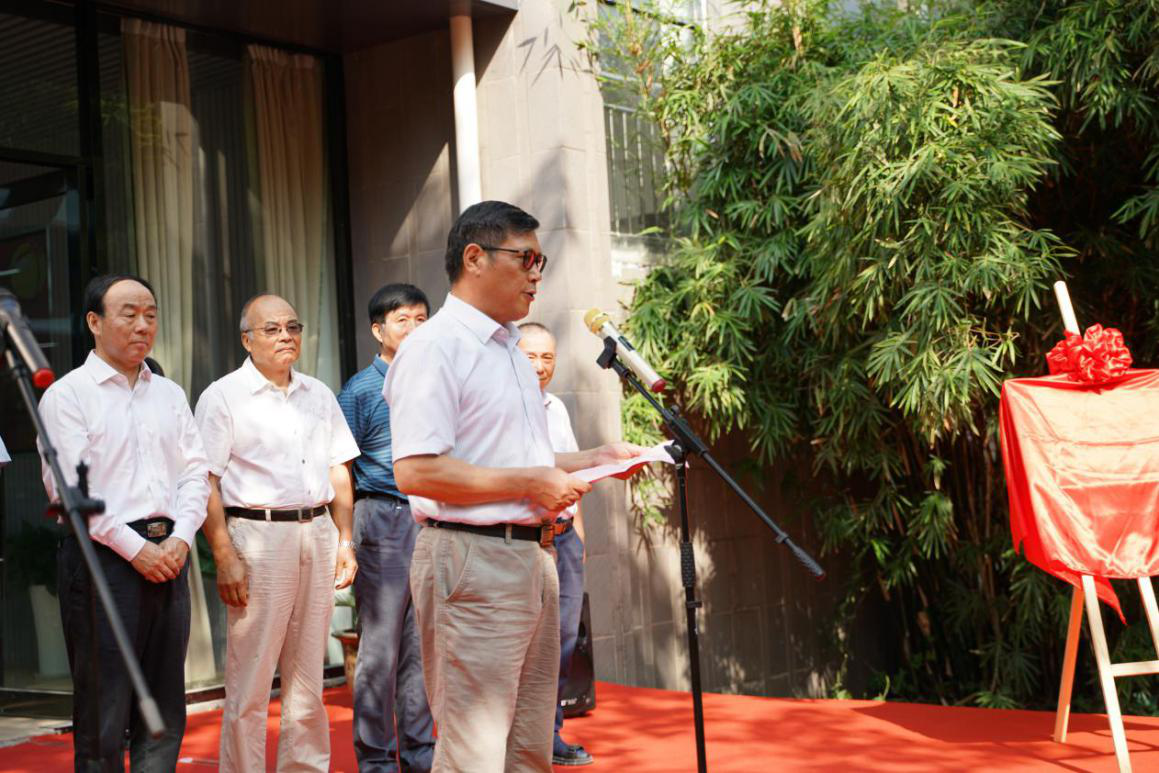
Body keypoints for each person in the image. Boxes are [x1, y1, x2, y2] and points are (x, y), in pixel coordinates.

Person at [384, 200, 643, 772]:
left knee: (528, 748)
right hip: (471, 559)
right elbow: (417, 471)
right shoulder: (436, 346)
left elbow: (519, 458)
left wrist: (594, 458)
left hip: (532, 557)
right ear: (474, 258)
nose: (536, 274)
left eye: (539, 261)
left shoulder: (507, 349)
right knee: (475, 753)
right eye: (525, 258)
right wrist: (531, 480)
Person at [38, 273, 210, 771]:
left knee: (165, 705)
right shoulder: (68, 396)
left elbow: (195, 473)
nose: (143, 326)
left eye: (150, 315)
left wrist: (181, 539)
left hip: (170, 554)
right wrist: (138, 551)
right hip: (103, 561)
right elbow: (71, 492)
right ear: (94, 322)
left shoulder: (169, 394)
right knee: (105, 710)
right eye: (129, 314)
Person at [196, 294, 360, 772]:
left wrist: (344, 539)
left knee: (308, 677)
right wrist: (224, 554)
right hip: (258, 537)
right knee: (250, 679)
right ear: (247, 340)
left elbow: (339, 470)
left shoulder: (318, 393)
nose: (285, 336)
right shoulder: (223, 396)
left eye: (293, 326)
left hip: (318, 531)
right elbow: (205, 482)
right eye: (271, 329)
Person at [338, 283, 436, 772]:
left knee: (421, 646)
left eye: (421, 320)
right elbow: (339, 466)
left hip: (432, 518)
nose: (414, 329)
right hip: (383, 517)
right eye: (403, 321)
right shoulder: (359, 390)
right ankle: (375, 759)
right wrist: (345, 538)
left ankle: (420, 754)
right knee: (379, 648)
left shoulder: (437, 382)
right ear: (378, 330)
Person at [517, 322, 592, 767]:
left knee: (563, 642)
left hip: (564, 539)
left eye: (547, 357)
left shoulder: (556, 408)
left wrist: (579, 534)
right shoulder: (504, 408)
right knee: (527, 646)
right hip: (527, 541)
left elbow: (572, 475)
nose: (540, 366)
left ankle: (550, 734)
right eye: (530, 356)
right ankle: (521, 739)